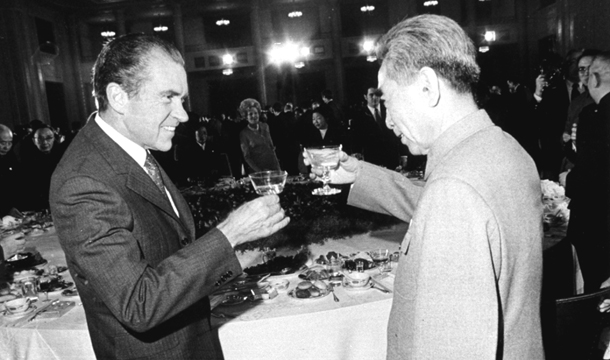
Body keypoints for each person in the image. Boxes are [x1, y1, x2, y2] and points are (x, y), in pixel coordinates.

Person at [308, 14, 544, 359]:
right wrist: (360, 174)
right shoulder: (504, 149)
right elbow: (441, 207)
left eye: (387, 100)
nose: (387, 121)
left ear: (427, 87)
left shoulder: (455, 189)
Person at [49, 34, 289, 360]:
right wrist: (228, 235)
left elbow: (170, 249)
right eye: (168, 97)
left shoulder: (132, 152)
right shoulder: (82, 181)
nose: (184, 114)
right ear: (118, 97)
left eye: (183, 99)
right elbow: (139, 304)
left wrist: (234, 254)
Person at [568, 51, 610, 294]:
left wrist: (569, 180)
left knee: (596, 294)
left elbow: (589, 174)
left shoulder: (592, 118)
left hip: (596, 225)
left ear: (594, 79)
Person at [21, 124, 65, 211]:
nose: (44, 142)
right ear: (34, 141)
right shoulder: (27, 162)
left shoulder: (63, 158)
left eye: (49, 138)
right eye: (40, 138)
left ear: (54, 139)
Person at [239, 98, 281, 174]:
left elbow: (271, 148)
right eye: (250, 114)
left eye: (256, 113)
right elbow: (247, 157)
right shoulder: (244, 133)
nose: (254, 116)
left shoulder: (265, 126)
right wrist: (260, 171)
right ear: (246, 117)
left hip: (272, 166)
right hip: (257, 171)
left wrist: (278, 168)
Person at [0, 125, 23, 217]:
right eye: (2, 143)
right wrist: (6, 209)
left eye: (9, 143)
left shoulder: (10, 157)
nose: (6, 147)